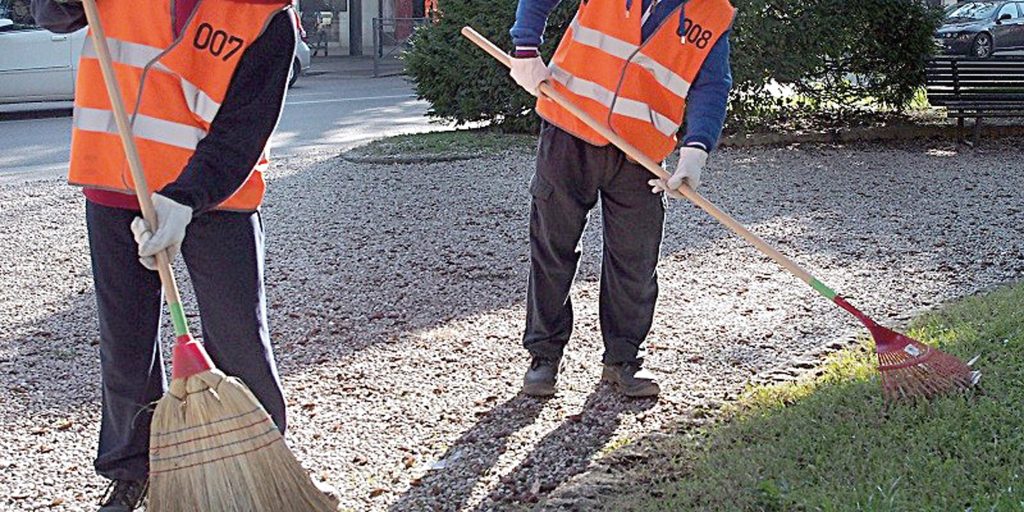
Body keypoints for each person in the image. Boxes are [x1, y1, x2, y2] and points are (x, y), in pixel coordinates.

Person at [32, 0, 297, 509]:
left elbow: (245, 128)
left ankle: (262, 464)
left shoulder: (266, 14)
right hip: (117, 182)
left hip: (214, 198)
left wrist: (186, 198)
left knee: (239, 336)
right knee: (126, 341)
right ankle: (131, 468)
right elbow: (53, 16)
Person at [508, 0, 734, 398]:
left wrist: (696, 149)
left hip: (641, 152)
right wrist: (526, 48)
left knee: (636, 259)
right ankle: (544, 357)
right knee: (552, 248)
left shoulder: (713, 11)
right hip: (569, 125)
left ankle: (622, 360)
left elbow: (712, 84)